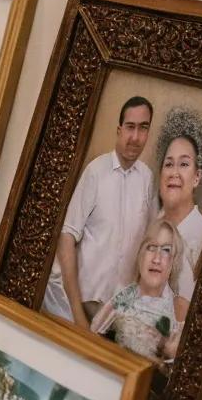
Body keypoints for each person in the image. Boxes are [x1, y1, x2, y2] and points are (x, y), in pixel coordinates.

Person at [43, 96, 154, 328]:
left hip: (114, 314)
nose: (135, 137)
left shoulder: (147, 178)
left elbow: (144, 244)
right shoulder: (96, 171)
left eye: (143, 128)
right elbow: (67, 237)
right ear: (119, 130)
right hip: (75, 305)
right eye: (130, 127)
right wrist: (78, 316)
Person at [91, 217, 184, 362]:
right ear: (141, 255)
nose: (157, 259)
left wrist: (170, 355)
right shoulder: (117, 301)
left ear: (174, 262)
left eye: (166, 250)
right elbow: (93, 346)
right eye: (151, 247)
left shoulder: (179, 313)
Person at [155, 116, 202, 324]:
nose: (174, 173)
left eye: (184, 164)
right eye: (169, 164)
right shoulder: (153, 222)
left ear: (197, 177)